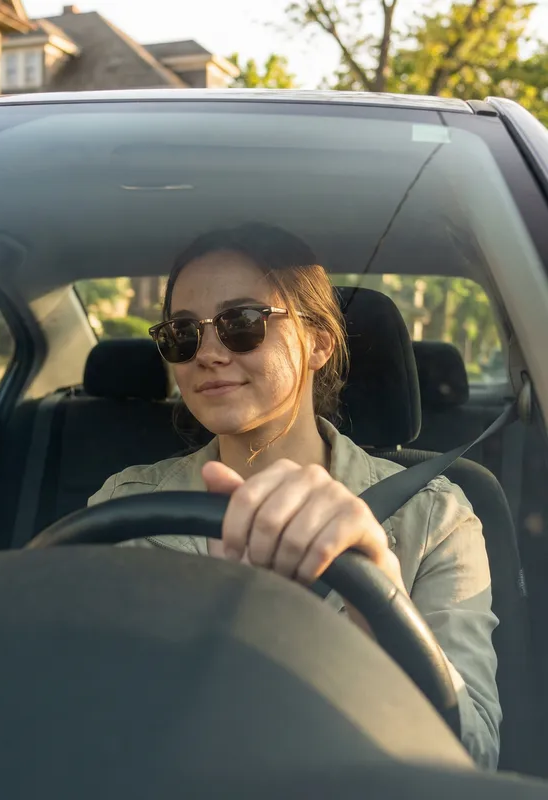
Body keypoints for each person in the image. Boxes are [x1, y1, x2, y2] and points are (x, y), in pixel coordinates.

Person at [88, 222, 501, 769]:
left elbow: (473, 757)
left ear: (319, 343)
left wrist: (377, 592)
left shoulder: (435, 516)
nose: (207, 353)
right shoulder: (123, 506)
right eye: (182, 334)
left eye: (242, 324)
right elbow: (83, 708)